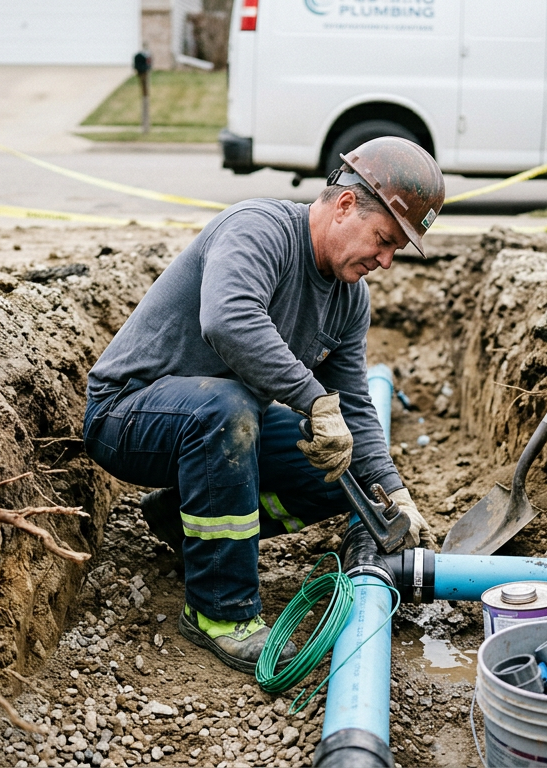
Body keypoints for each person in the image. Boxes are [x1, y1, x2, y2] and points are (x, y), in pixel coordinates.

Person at [82, 137, 445, 674]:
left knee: (334, 471)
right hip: (129, 414)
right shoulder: (260, 229)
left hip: (224, 424)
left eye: (395, 250)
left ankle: (183, 526)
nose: (386, 261)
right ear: (346, 205)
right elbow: (228, 320)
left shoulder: (349, 298)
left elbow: (353, 408)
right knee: (227, 407)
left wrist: (392, 489)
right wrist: (312, 400)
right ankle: (220, 612)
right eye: (384, 240)